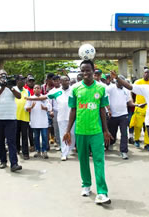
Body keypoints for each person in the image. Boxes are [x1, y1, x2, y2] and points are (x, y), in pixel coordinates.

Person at [63, 60, 112, 205]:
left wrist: (105, 130)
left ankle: (102, 192)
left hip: (96, 131)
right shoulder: (75, 88)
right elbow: (73, 110)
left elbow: (102, 110)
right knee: (83, 159)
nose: (85, 73)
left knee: (99, 161)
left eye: (88, 70)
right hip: (80, 131)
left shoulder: (101, 88)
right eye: (82, 70)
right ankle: (86, 185)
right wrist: (68, 131)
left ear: (93, 70)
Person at [0, 70, 22, 172]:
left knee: (11, 141)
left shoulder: (12, 85)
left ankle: (14, 164)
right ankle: (3, 161)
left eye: (5, 75)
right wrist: (2, 88)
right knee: (0, 141)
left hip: (11, 118)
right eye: (1, 75)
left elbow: (19, 96)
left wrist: (10, 87)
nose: (3, 76)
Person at [107, 75, 136, 159]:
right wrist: (108, 109)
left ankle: (124, 151)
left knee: (124, 133)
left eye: (122, 83)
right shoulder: (110, 88)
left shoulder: (126, 90)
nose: (121, 84)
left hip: (123, 115)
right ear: (116, 82)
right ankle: (111, 143)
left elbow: (129, 102)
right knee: (112, 132)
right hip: (112, 115)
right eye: (119, 82)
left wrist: (136, 105)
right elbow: (105, 99)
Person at [47, 76, 75, 160]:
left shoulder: (73, 90)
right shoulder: (56, 92)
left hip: (72, 116)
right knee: (63, 134)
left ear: (69, 81)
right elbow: (45, 98)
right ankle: (64, 153)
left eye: (66, 80)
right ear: (60, 82)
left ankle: (69, 148)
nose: (65, 82)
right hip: (61, 117)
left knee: (72, 134)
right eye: (63, 80)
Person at [25, 84, 51, 159]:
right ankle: (37, 151)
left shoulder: (44, 97)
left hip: (43, 122)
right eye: (35, 88)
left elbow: (49, 107)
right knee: (36, 137)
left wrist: (45, 108)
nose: (37, 89)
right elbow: (26, 108)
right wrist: (31, 107)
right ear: (33, 90)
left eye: (38, 88)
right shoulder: (30, 98)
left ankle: (44, 151)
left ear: (41, 89)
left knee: (44, 137)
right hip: (35, 121)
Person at [130, 68, 149, 150]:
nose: (146, 74)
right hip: (139, 107)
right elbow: (131, 91)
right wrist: (134, 102)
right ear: (143, 74)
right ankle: (136, 140)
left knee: (148, 126)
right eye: (145, 72)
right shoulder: (138, 82)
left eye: (148, 73)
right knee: (137, 126)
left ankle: (147, 143)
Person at [14, 75, 30, 160]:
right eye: (21, 80)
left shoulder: (27, 91)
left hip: (25, 116)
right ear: (17, 81)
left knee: (24, 136)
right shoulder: (12, 89)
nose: (23, 81)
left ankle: (25, 153)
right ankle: (17, 149)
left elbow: (29, 102)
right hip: (15, 117)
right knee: (16, 135)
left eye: (24, 80)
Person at [24, 74, 36, 152]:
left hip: (34, 112)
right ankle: (28, 145)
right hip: (26, 112)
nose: (31, 82)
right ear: (27, 82)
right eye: (30, 81)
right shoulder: (24, 89)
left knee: (33, 129)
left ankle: (33, 144)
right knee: (26, 130)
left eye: (32, 81)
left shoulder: (36, 89)